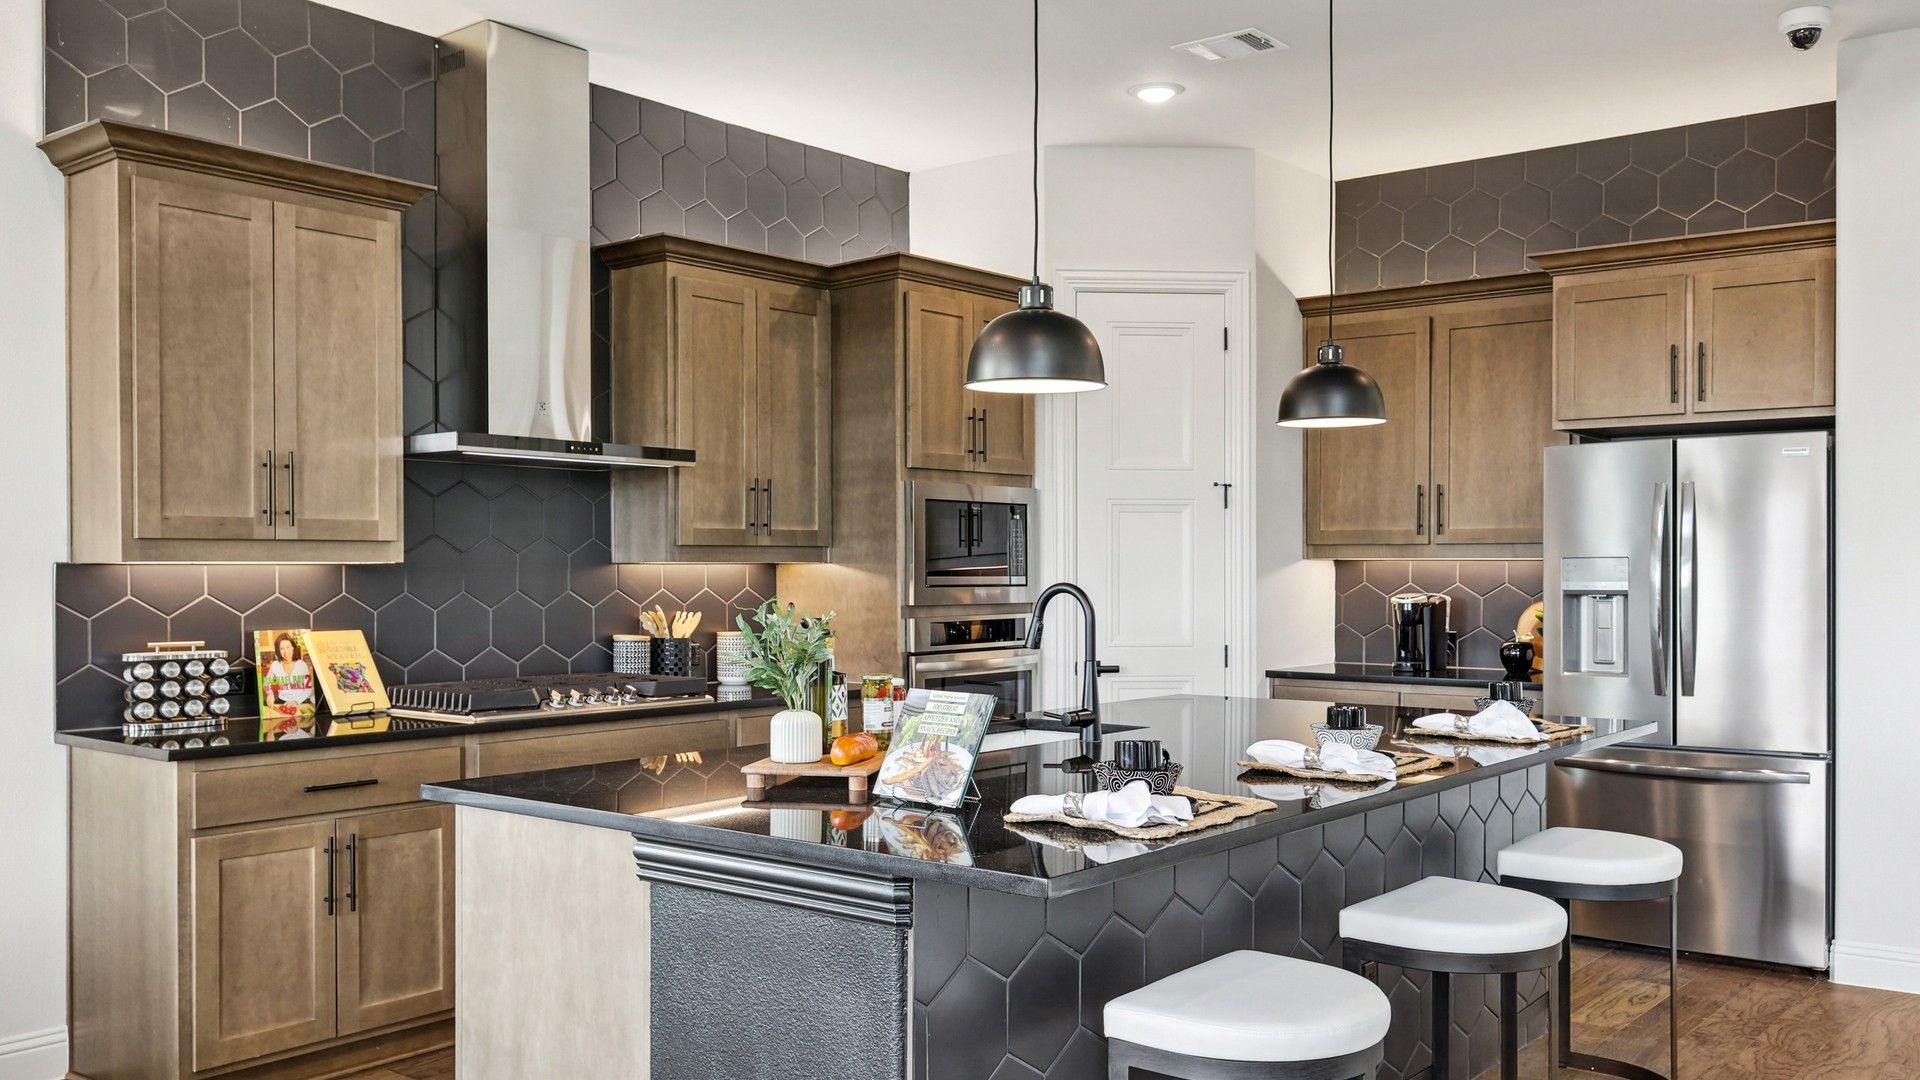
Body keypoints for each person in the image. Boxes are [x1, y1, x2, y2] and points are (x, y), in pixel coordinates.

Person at [266, 633, 313, 707]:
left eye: (288, 647)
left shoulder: (301, 665)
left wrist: (297, 701)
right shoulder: (275, 665)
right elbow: (266, 682)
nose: (286, 652)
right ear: (278, 651)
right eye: (282, 648)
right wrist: (269, 693)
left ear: (293, 647)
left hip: (299, 702)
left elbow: (308, 688)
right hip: (281, 702)